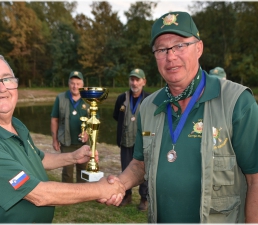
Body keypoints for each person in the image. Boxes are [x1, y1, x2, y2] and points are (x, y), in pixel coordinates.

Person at [100, 11, 258, 223]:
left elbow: (255, 178)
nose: (170, 56)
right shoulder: (148, 106)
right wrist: (119, 183)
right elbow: (140, 164)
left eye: (180, 46)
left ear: (199, 48)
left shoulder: (237, 102)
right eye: (161, 49)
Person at [0, 50, 125, 223]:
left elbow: (38, 159)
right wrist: (100, 189)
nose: (2, 88)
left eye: (7, 79)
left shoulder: (15, 124)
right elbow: (39, 194)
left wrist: (73, 157)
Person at [113, 68, 149, 211]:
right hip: (126, 140)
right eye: (132, 79)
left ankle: (144, 199)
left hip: (143, 141)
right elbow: (117, 116)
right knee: (125, 169)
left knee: (144, 170)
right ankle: (127, 195)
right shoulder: (122, 98)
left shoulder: (149, 99)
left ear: (144, 81)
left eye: (137, 79)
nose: (134, 83)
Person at [51, 71, 90, 183]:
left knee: (83, 170)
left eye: (78, 83)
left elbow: (94, 119)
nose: (75, 86)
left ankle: (82, 194)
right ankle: (67, 195)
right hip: (66, 142)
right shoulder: (61, 98)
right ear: (68, 84)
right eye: (72, 83)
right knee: (67, 171)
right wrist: (54, 140)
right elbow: (54, 119)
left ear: (82, 84)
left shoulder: (89, 98)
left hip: (83, 143)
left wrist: (87, 132)